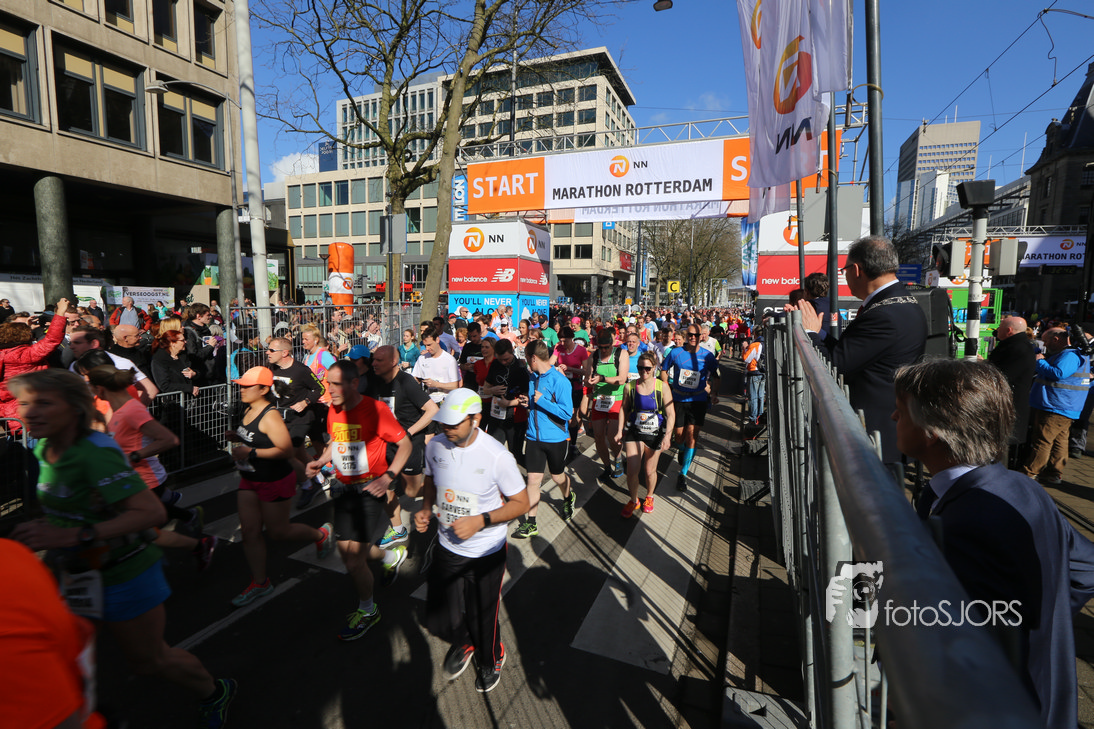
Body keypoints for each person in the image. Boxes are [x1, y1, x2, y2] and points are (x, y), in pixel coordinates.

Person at [8, 369, 236, 728]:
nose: (29, 413)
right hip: (79, 573)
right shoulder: (43, 447)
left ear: (73, 407)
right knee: (67, 650)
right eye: (23, 404)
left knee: (149, 660)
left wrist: (76, 535)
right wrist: (47, 528)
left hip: (125, 571)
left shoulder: (94, 454)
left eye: (43, 403)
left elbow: (151, 513)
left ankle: (214, 691)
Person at [892, 358, 1094, 729]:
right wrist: (1043, 623)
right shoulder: (1022, 488)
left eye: (901, 411)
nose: (892, 417)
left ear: (932, 431)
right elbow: (1085, 568)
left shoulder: (966, 524)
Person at [414, 389, 530, 693]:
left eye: (454, 423)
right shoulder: (436, 445)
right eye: (444, 422)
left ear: (476, 419)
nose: (447, 428)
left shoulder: (497, 456)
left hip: (486, 551)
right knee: (444, 614)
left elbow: (522, 503)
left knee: (483, 614)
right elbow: (430, 479)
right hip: (447, 545)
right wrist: (426, 508)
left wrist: (481, 520)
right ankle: (465, 640)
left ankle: (492, 657)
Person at [795, 235, 928, 465]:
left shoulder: (884, 314)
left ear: (856, 270)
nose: (845, 276)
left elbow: (835, 364)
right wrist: (820, 334)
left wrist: (809, 333)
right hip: (885, 427)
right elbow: (852, 353)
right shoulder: (900, 303)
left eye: (844, 270)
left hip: (876, 435)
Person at [305, 361, 412, 641]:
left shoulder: (376, 410)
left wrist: (388, 477)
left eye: (336, 384)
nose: (330, 390)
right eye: (328, 383)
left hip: (369, 489)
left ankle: (368, 611)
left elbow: (405, 444)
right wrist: (320, 460)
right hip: (343, 488)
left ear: (354, 383)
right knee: (348, 554)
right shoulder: (334, 409)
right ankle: (391, 557)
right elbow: (335, 442)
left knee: (354, 561)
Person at [85, 365, 216, 572]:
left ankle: (194, 547)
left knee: (145, 531)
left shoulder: (132, 410)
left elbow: (169, 439)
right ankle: (188, 539)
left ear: (100, 389)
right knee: (144, 531)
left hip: (146, 480)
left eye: (92, 388)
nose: (92, 393)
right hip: (131, 479)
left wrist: (134, 456)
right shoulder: (116, 411)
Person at [225, 367, 334, 607]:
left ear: (263, 389)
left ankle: (321, 534)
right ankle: (260, 583)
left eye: (247, 386)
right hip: (250, 477)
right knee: (249, 532)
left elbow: (285, 451)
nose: (241, 389)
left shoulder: (270, 416)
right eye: (241, 385)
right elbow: (257, 438)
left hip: (274, 479)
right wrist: (238, 437)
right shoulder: (248, 409)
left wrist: (250, 452)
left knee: (279, 532)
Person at [365, 345, 440, 550]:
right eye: (373, 360)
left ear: (393, 362)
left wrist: (409, 432)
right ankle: (398, 530)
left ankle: (443, 488)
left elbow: (432, 410)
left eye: (379, 360)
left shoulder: (406, 382)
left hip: (408, 444)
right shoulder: (375, 381)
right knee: (385, 487)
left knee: (412, 491)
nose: (374, 363)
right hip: (385, 445)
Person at [511, 341, 575, 539]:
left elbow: (567, 413)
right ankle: (531, 523)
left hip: (556, 438)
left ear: (534, 358)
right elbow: (535, 403)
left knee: (557, 477)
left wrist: (542, 401)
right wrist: (528, 402)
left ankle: (568, 496)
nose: (525, 363)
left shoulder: (560, 381)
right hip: (534, 437)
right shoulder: (533, 378)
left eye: (526, 358)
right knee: (533, 480)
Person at [1021, 326, 1091, 484]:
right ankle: (1054, 472)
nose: (1044, 344)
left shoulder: (1069, 355)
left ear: (1056, 339)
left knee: (1042, 441)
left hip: (1055, 405)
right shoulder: (1075, 354)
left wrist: (1040, 362)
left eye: (1046, 341)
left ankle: (1029, 473)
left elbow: (1058, 373)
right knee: (1060, 440)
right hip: (1065, 405)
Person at [660, 323, 720, 491]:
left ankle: (683, 474)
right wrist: (666, 387)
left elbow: (717, 375)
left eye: (696, 335)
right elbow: (664, 370)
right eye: (690, 335)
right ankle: (681, 449)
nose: (693, 337)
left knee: (692, 436)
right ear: (687, 336)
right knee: (678, 436)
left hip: (698, 400)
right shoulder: (676, 352)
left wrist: (714, 393)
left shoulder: (707, 356)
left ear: (701, 336)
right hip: (678, 398)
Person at [615, 352, 674, 516]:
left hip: (655, 433)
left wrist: (668, 436)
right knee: (632, 470)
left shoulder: (662, 387)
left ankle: (649, 496)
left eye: (647, 368)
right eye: (640, 368)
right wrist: (619, 431)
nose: (644, 371)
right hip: (635, 432)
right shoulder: (630, 387)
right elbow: (623, 409)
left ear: (654, 368)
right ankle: (634, 500)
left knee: (649, 471)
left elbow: (671, 413)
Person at [0, 297, 69, 430]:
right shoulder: (24, 355)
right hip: (31, 420)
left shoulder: (4, 354)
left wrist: (25, 327)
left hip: (9, 418)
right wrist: (60, 312)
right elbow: (52, 339)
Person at [986, 316, 1036, 467]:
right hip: (1006, 404)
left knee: (1000, 446)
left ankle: (996, 474)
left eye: (1000, 327)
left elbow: (1002, 376)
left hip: (1007, 406)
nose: (997, 330)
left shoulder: (1016, 349)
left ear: (1009, 330)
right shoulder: (1017, 346)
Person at [586, 329, 629, 484]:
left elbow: (622, 379)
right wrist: (589, 381)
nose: (603, 350)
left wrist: (602, 378)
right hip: (599, 399)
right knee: (598, 437)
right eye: (601, 347)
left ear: (612, 344)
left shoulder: (621, 354)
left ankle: (617, 457)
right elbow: (587, 380)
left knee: (612, 436)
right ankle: (606, 467)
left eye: (606, 347)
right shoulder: (594, 356)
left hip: (616, 399)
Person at [481, 338, 529, 463]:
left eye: (506, 359)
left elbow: (526, 397)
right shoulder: (495, 364)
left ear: (512, 352)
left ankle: (529, 472)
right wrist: (492, 390)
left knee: (515, 454)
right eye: (500, 359)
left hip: (515, 418)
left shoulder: (520, 368)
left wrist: (509, 403)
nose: (503, 362)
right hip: (496, 415)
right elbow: (485, 389)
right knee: (492, 451)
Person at [553, 327, 588, 460]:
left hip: (575, 386)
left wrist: (570, 369)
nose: (562, 343)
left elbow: (586, 371)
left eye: (565, 341)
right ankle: (563, 442)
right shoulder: (558, 348)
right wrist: (556, 368)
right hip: (561, 387)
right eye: (561, 341)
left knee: (572, 417)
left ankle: (572, 444)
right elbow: (550, 363)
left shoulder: (581, 350)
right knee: (561, 415)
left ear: (571, 338)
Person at [412, 332, 461, 405]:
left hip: (445, 402)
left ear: (437, 340)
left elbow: (455, 385)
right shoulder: (422, 359)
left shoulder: (449, 360)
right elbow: (415, 378)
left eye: (429, 345)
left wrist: (435, 384)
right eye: (425, 345)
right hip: (427, 402)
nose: (427, 348)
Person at [150, 329, 199, 397]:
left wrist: (194, 374)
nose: (185, 342)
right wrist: (189, 388)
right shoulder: (159, 360)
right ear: (172, 343)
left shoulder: (183, 355)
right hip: (173, 399)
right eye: (182, 340)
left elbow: (196, 370)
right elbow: (164, 385)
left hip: (189, 397)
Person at [742, 333, 765, 426]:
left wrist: (744, 348)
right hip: (763, 372)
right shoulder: (766, 343)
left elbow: (746, 359)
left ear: (754, 334)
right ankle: (760, 416)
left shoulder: (755, 344)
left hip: (754, 371)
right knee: (761, 396)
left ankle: (753, 419)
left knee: (753, 397)